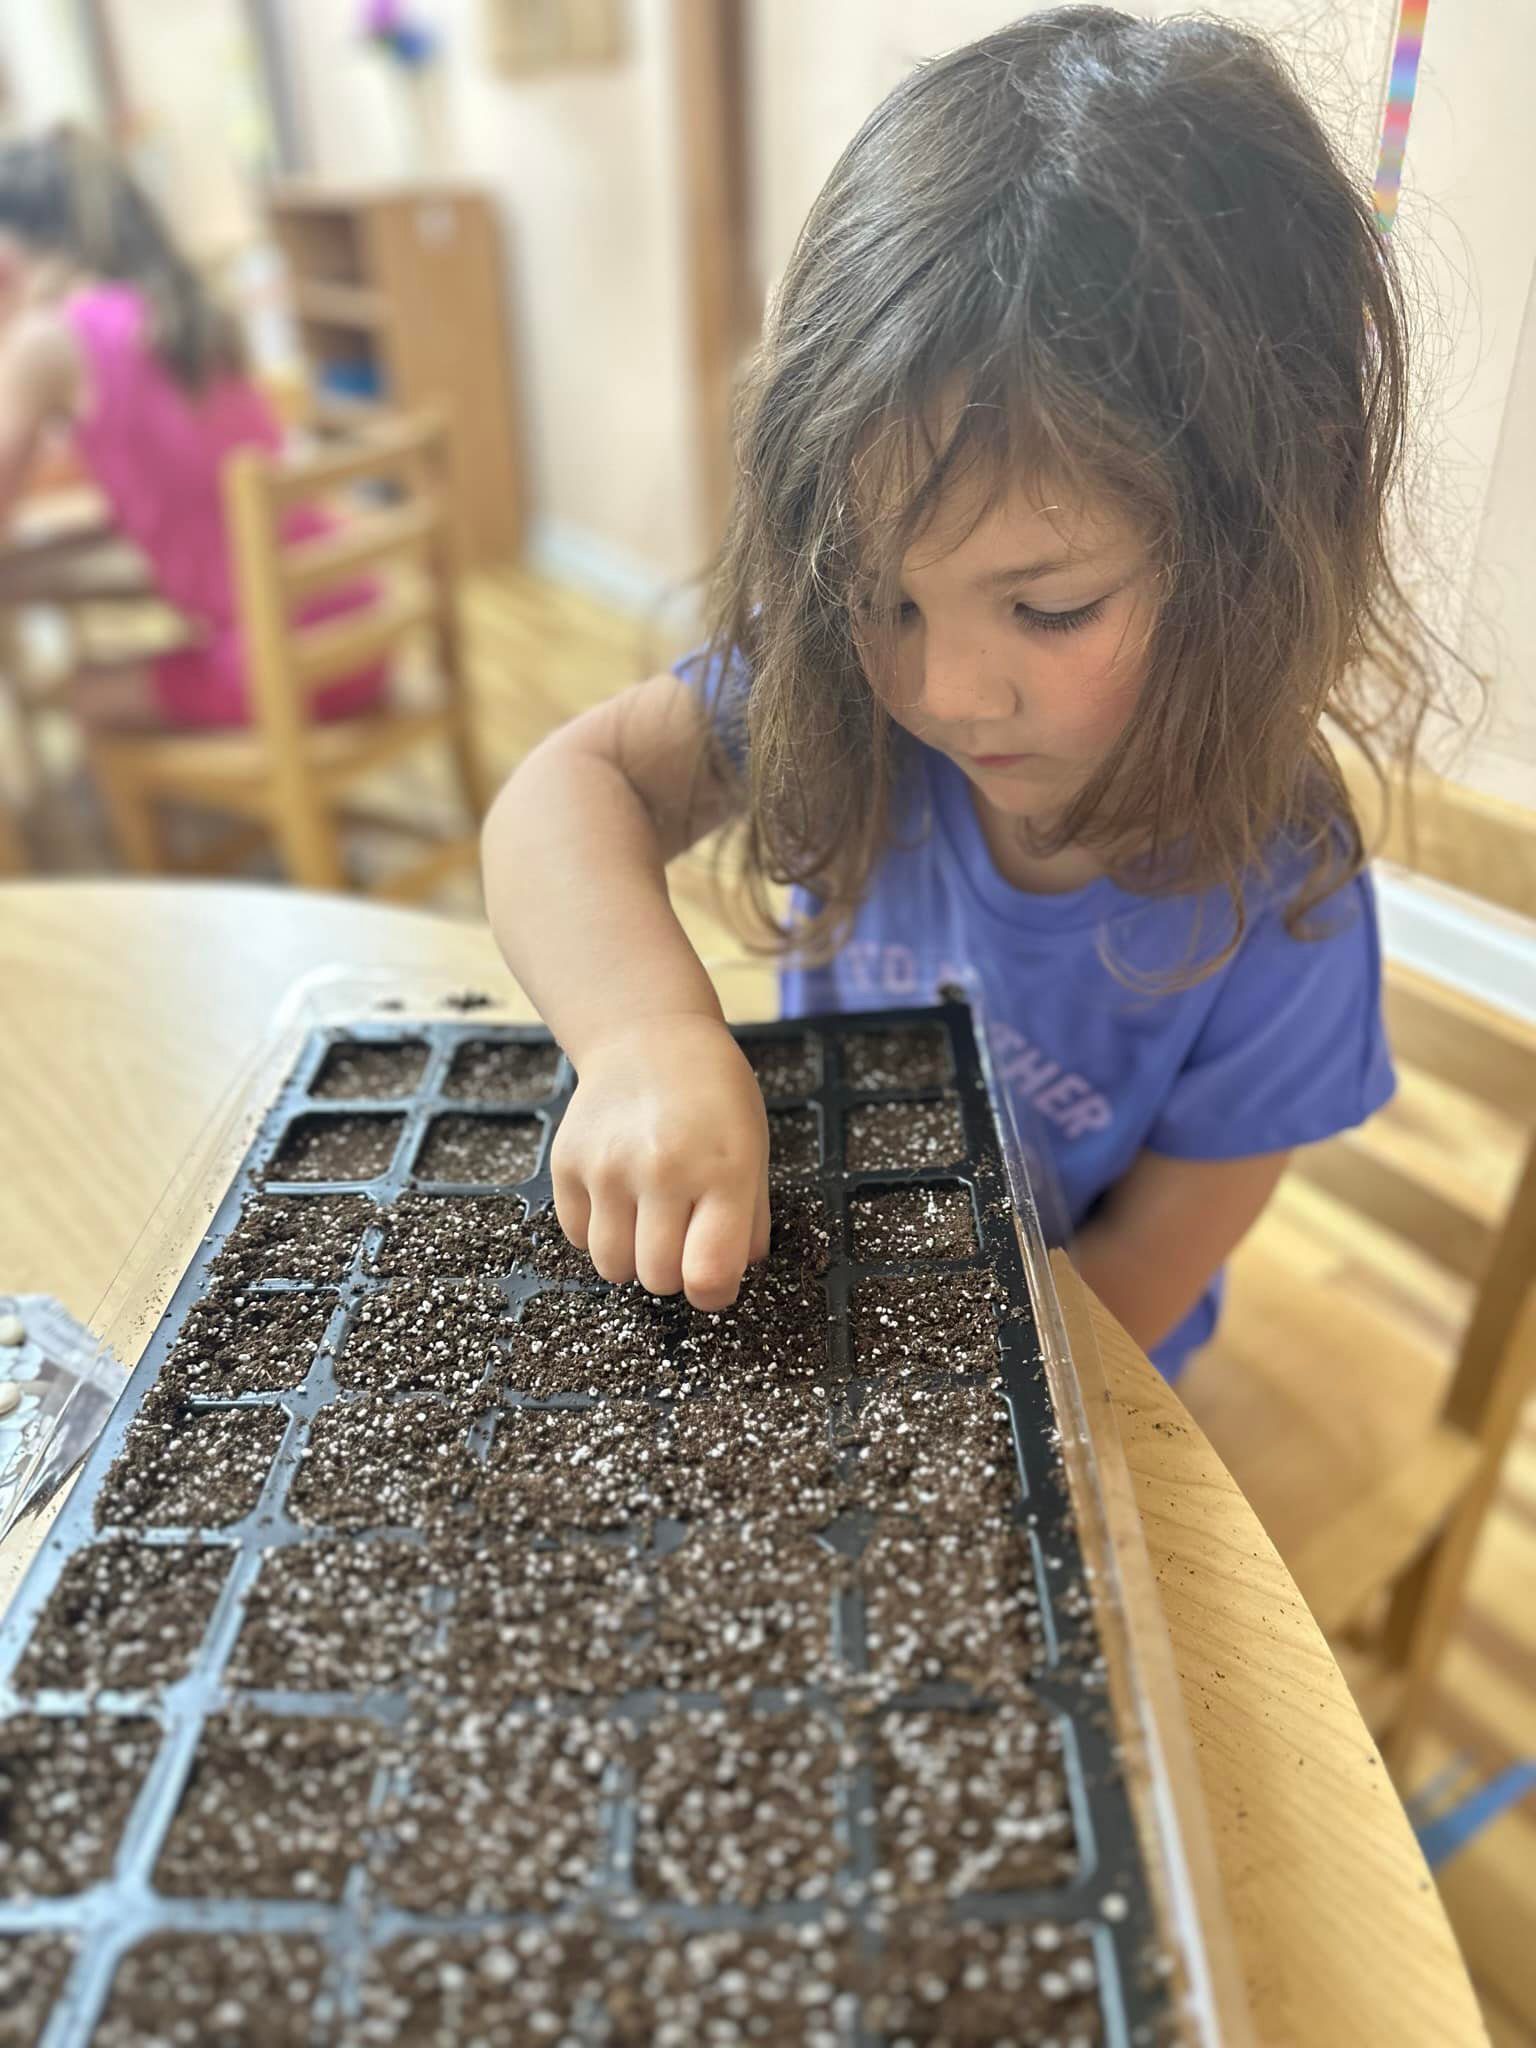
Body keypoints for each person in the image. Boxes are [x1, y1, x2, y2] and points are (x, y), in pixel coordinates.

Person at [483, 7, 1464, 1379]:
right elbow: (566, 794)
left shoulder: (1280, 909)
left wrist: (902, 1391)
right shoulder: (838, 687)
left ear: (1251, 543)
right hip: (830, 1276)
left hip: (1062, 1370)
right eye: (879, 596)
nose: (942, 692)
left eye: (1049, 608)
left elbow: (1138, 1278)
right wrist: (644, 1037)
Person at [0, 127, 384, 729]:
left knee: (79, 691)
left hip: (280, 661)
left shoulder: (47, 340)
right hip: (361, 623)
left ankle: (178, 816)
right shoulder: (179, 309)